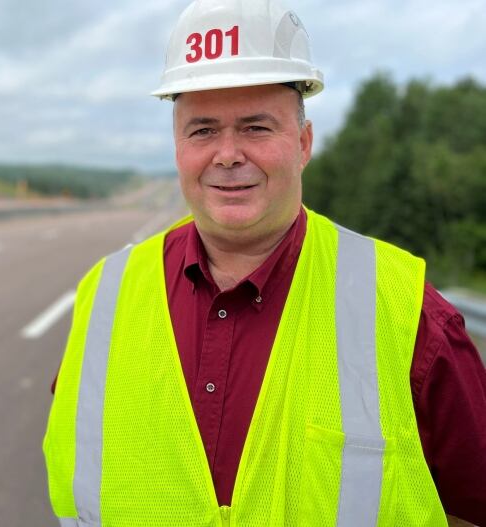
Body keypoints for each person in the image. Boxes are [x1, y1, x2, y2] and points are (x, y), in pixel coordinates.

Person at [43, 0, 486, 525]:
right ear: (177, 147)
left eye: (256, 127)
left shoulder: (404, 309)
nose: (227, 154)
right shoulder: (105, 296)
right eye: (203, 130)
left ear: (302, 144)